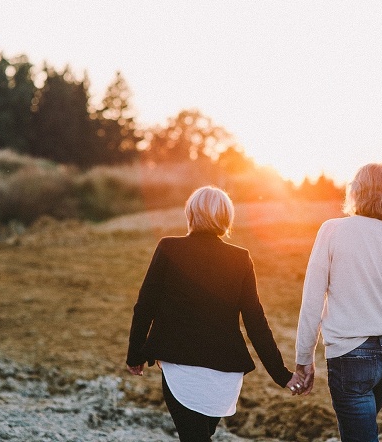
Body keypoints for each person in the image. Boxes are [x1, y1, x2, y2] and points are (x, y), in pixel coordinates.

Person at [126, 186, 306, 442]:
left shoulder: (169, 248)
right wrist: (282, 375)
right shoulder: (240, 258)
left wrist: (136, 354)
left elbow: (145, 305)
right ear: (226, 218)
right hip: (224, 373)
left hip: (180, 367)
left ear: (191, 214)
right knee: (200, 436)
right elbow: (256, 322)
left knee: (196, 437)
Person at [294, 163, 382, 442]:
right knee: (361, 432)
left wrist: (304, 359)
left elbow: (312, 299)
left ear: (356, 193)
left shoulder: (332, 230)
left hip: (351, 356)